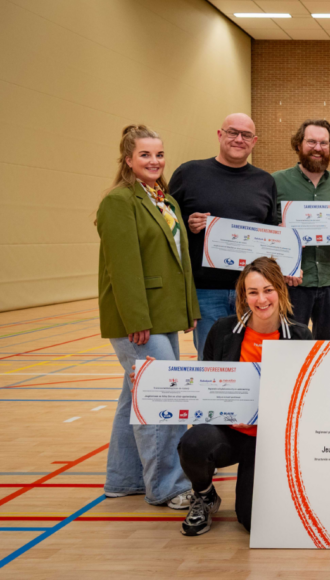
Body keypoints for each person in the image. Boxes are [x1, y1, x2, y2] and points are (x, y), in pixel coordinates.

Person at [96, 125, 197, 509]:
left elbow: (179, 262)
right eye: (145, 155)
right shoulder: (118, 202)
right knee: (162, 398)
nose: (154, 161)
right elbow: (123, 268)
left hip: (164, 315)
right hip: (138, 322)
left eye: (159, 154)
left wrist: (187, 309)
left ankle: (124, 479)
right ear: (128, 159)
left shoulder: (165, 201)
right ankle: (166, 485)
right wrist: (136, 319)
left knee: (135, 398)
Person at [176, 257, 313, 536]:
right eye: (253, 292)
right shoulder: (222, 331)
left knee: (253, 522)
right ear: (243, 295)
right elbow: (204, 387)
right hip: (232, 434)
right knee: (193, 443)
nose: (261, 299)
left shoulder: (301, 337)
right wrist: (155, 381)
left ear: (281, 290)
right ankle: (204, 496)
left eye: (268, 290)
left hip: (272, 439)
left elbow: (307, 402)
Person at [168, 114, 280, 358]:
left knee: (253, 358)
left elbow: (271, 230)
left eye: (246, 135)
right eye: (232, 132)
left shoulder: (265, 181)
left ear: (254, 141)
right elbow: (165, 223)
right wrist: (188, 224)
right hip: (206, 291)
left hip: (252, 292)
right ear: (220, 135)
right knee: (212, 361)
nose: (239, 139)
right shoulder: (189, 173)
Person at [273, 119, 330, 339]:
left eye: (324, 143)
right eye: (311, 142)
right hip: (290, 282)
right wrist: (279, 233)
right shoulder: (276, 181)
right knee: (289, 346)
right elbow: (264, 228)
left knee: (329, 348)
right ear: (298, 144)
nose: (318, 148)